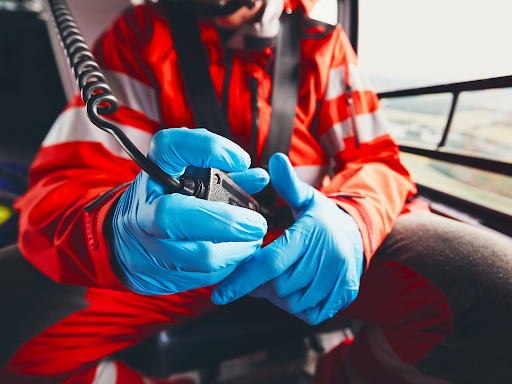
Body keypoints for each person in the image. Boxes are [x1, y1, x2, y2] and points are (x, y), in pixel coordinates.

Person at [2, 0, 512, 382]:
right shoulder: (139, 36)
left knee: (494, 289)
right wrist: (115, 229)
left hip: (315, 250)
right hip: (175, 261)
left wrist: (352, 223)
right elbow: (69, 176)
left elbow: (373, 157)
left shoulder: (320, 42)